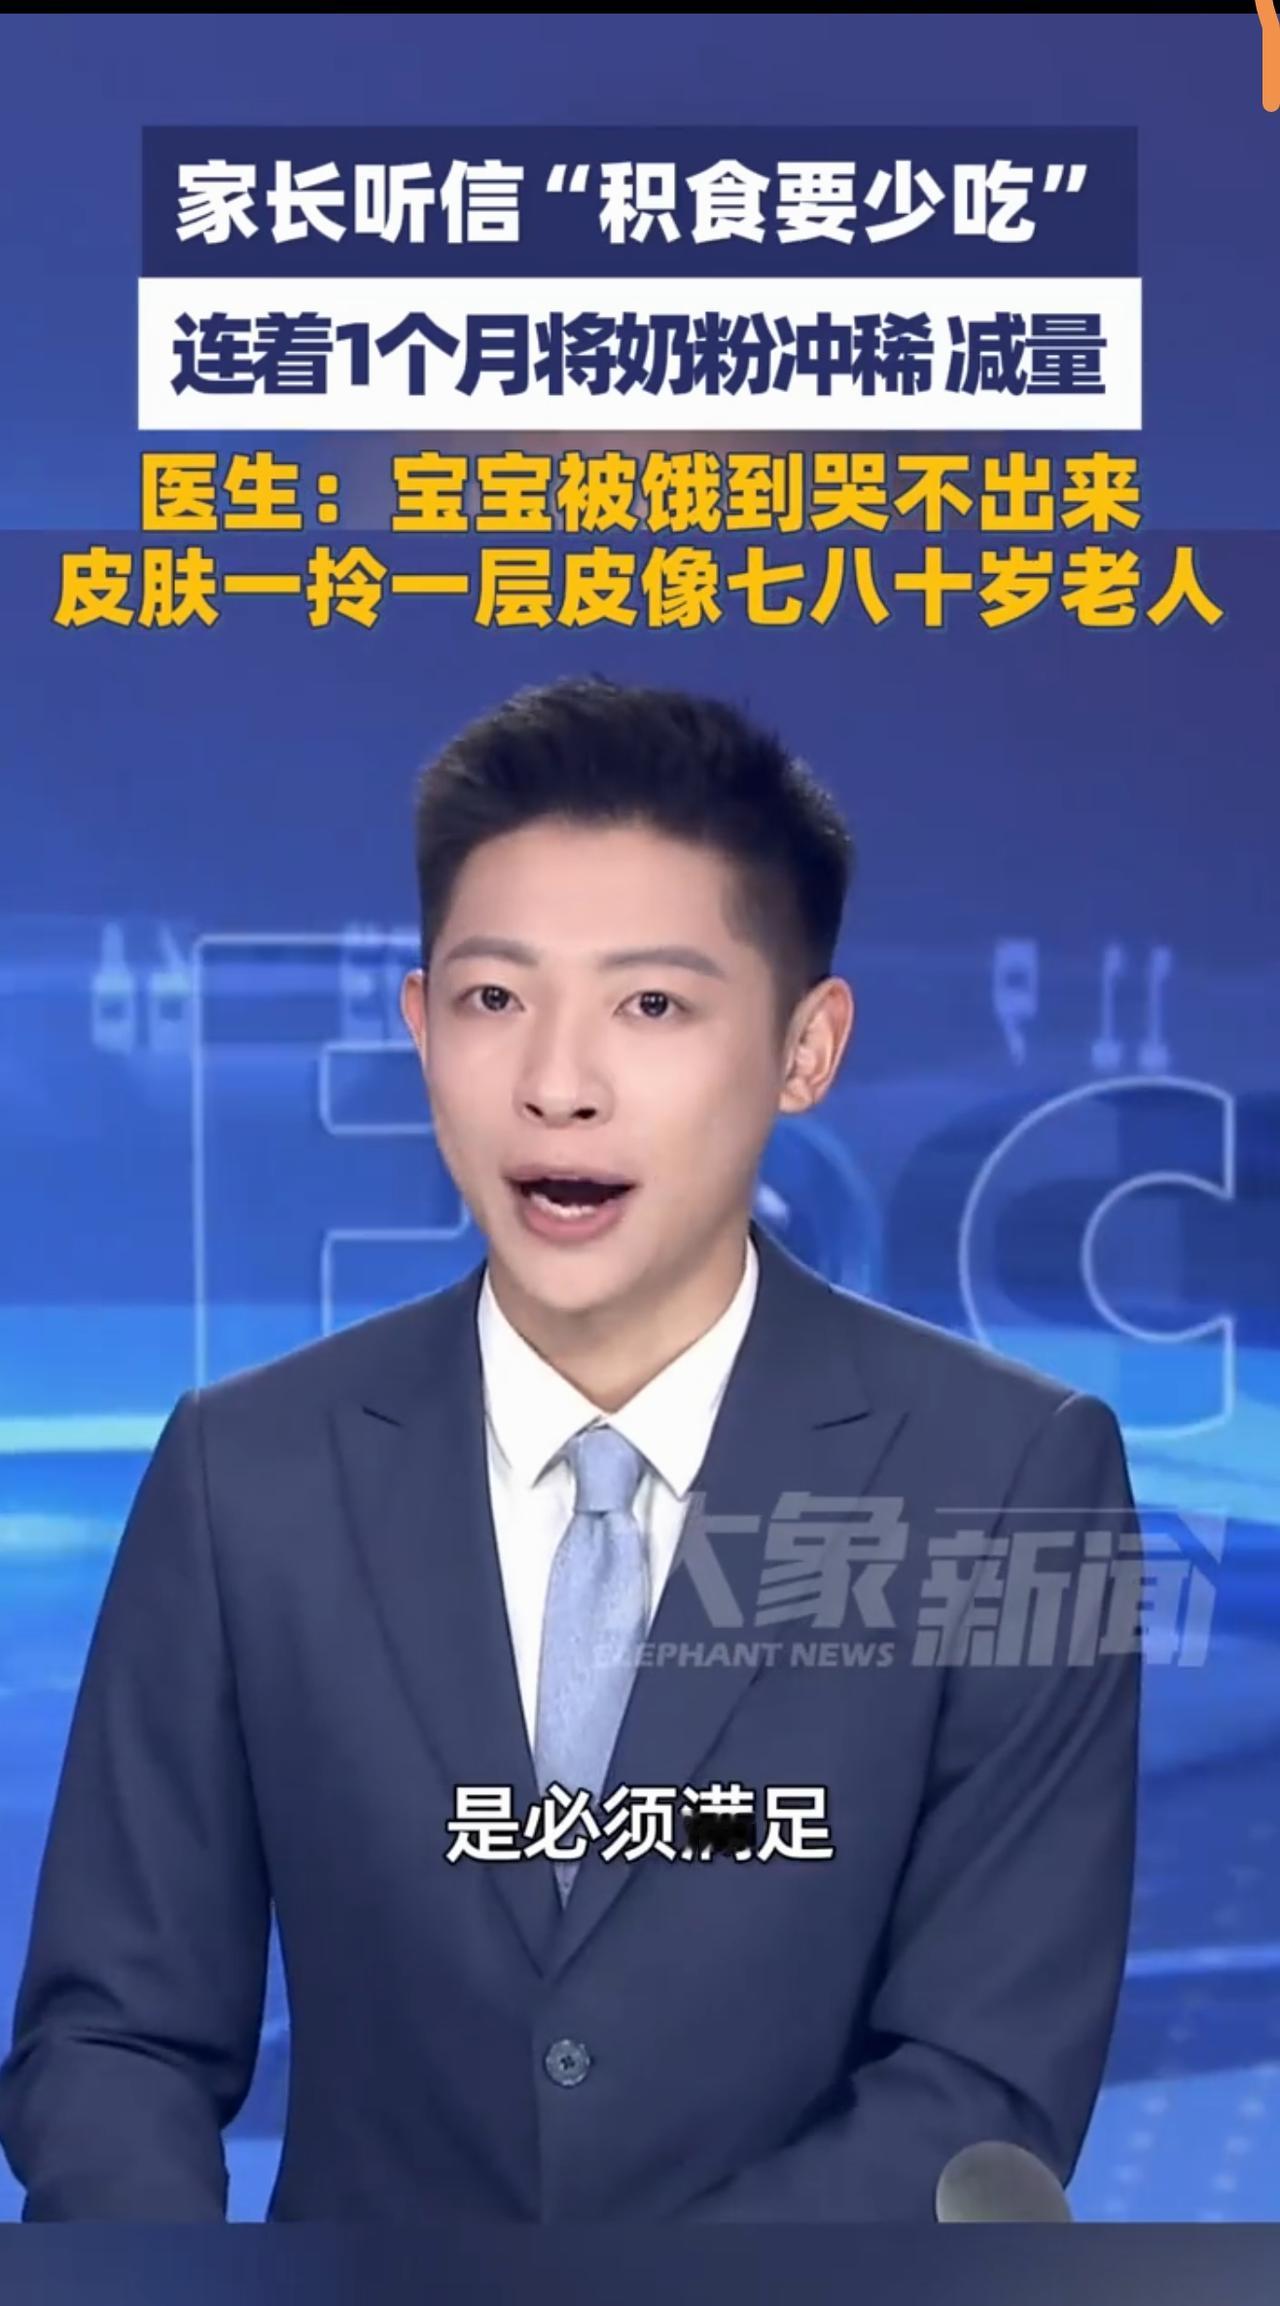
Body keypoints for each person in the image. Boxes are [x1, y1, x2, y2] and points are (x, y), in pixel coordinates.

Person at [0, 677, 1141, 2221]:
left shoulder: (1006, 1478)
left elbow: (981, 2076)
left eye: (651, 1006)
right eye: (494, 999)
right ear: (420, 1026)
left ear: (806, 1047)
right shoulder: (246, 1471)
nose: (557, 1082)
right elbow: (112, 2036)